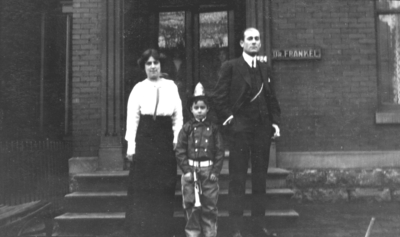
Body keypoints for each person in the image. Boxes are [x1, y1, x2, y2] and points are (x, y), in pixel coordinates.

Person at [212, 27, 281, 237]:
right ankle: (236, 228)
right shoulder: (231, 67)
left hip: (262, 130)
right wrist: (230, 120)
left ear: (260, 43)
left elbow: (271, 98)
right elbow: (218, 97)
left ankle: (258, 225)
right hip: (239, 131)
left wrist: (275, 122)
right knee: (238, 179)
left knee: (260, 179)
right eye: (249, 39)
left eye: (257, 39)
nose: (253, 42)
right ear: (242, 43)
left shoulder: (264, 68)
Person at [124, 48, 183, 237]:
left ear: (160, 65)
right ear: (144, 67)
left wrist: (176, 138)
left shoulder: (171, 86)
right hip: (146, 138)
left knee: (165, 184)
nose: (152, 67)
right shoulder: (139, 88)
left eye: (155, 63)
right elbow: (132, 119)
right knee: (144, 186)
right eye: (148, 64)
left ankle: (163, 229)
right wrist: (131, 146)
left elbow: (178, 116)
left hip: (165, 138)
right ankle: (144, 230)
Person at [175, 82, 224, 237]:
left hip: (208, 171)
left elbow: (219, 151)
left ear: (208, 109)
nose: (199, 111)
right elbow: (180, 150)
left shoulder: (214, 128)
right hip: (191, 171)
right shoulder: (187, 128)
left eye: (203, 107)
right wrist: (186, 170)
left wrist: (215, 171)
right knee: (191, 205)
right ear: (191, 109)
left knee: (209, 206)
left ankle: (210, 233)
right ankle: (192, 234)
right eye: (196, 108)